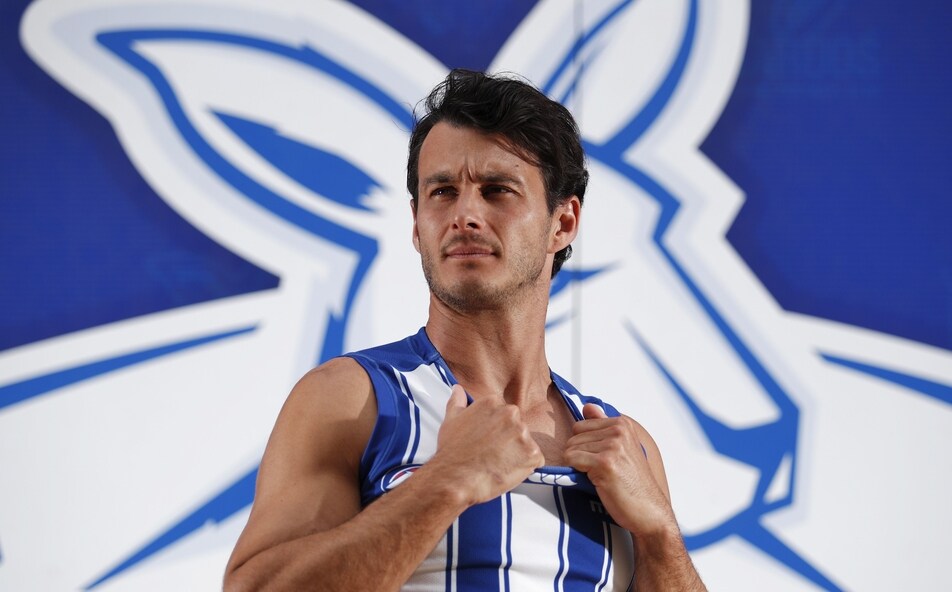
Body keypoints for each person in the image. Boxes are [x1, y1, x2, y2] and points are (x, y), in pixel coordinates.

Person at [223, 68, 706, 591]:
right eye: (443, 192)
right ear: (416, 223)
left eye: (497, 190)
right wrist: (447, 480)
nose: (465, 214)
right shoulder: (351, 399)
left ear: (563, 223)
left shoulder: (623, 444)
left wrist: (660, 535)